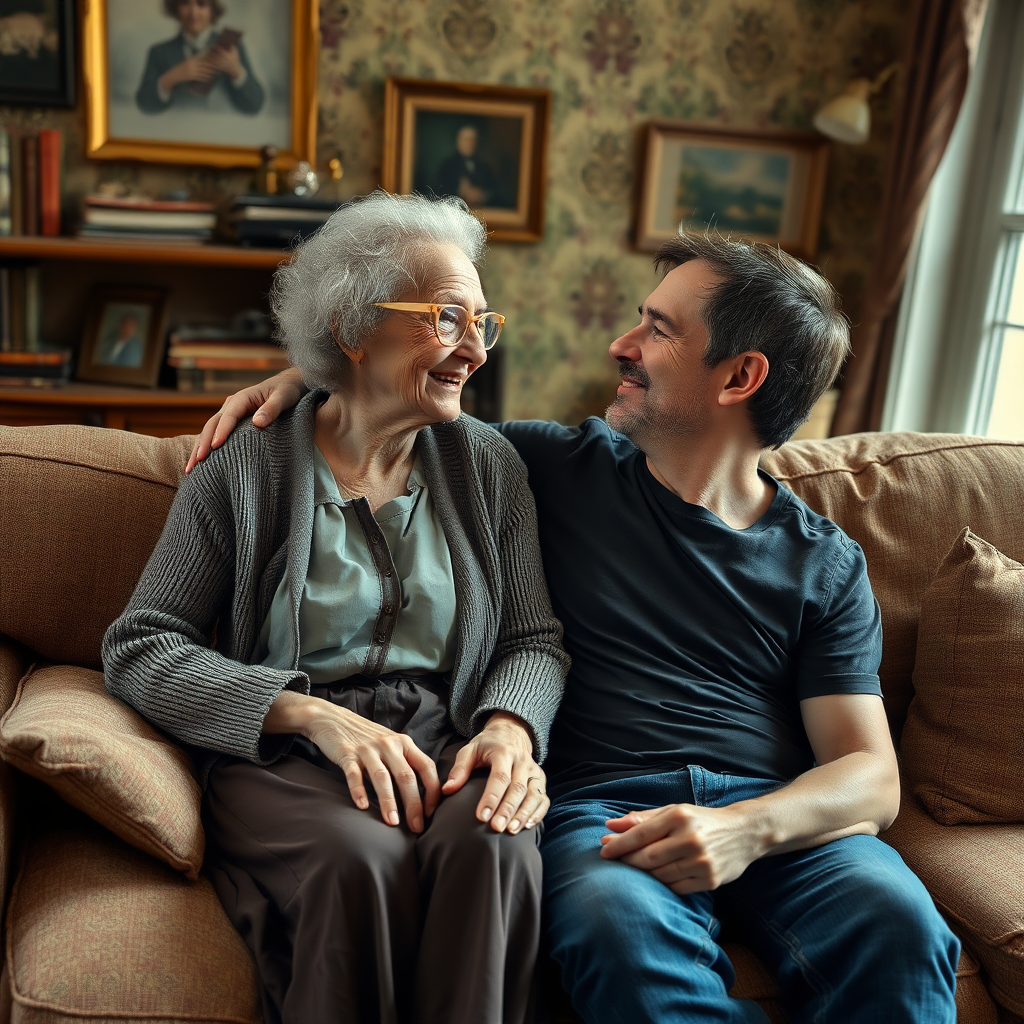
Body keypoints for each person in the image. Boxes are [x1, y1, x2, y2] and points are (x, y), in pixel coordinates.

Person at [187, 229, 961, 1023]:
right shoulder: (542, 467)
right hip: (604, 811)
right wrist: (310, 374)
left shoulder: (825, 562)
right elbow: (389, 401)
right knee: (616, 933)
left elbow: (870, 776)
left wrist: (745, 829)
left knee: (902, 928)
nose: (622, 344)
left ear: (740, 376)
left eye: (658, 330)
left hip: (778, 815)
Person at [103, 192, 568, 1024]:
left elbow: (534, 639)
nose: (475, 349)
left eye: (482, 323)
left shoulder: (490, 466)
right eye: (448, 318)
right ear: (354, 327)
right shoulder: (243, 470)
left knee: (496, 847)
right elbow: (142, 645)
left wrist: (509, 727)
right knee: (360, 859)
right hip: (283, 752)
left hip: (446, 735)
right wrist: (308, 716)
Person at [135, 0, 264, 116]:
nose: (194, 13)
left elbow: (255, 106)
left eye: (201, 4)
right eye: (185, 3)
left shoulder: (232, 47)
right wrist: (171, 77)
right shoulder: (159, 52)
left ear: (212, 9)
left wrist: (236, 71)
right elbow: (144, 106)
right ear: (175, 7)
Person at [434, 125, 499, 208]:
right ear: (458, 141)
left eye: (472, 140)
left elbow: (494, 191)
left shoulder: (484, 167)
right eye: (466, 139)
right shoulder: (447, 165)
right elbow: (438, 191)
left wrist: (482, 195)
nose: (469, 143)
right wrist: (459, 190)